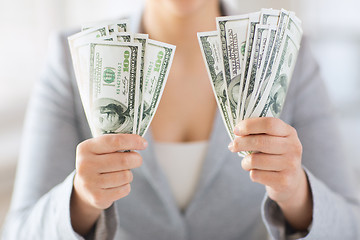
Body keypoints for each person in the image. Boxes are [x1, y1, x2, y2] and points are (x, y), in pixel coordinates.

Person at [2, 0, 360, 239]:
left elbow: (349, 226)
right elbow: (19, 231)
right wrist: (80, 200)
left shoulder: (289, 58)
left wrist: (296, 192)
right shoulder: (72, 58)